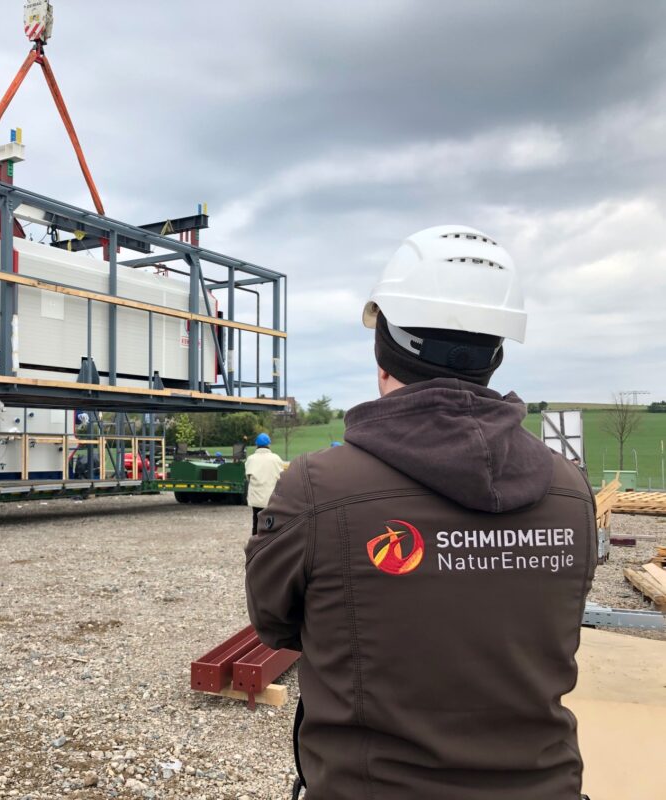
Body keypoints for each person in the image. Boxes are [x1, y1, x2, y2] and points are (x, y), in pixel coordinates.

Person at [245, 226, 595, 800]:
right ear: (496, 354)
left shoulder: (317, 489)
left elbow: (275, 625)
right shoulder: (569, 491)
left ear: (383, 351)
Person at [244, 433, 285, 535]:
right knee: (271, 523)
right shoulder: (276, 459)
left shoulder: (251, 459)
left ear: (256, 444)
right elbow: (281, 476)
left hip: (256, 498)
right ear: (269, 444)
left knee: (256, 522)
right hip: (272, 499)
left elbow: (248, 477)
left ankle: (256, 546)